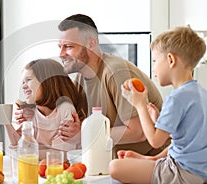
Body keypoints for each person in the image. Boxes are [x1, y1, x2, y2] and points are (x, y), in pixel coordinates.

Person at [55, 14, 169, 157]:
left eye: (69, 47)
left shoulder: (116, 72)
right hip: (113, 161)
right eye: (60, 47)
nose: (61, 54)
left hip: (153, 161)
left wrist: (83, 135)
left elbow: (138, 132)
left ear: (90, 44)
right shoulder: (79, 79)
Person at [109, 26, 207, 183]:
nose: (153, 68)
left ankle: (153, 162)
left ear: (170, 60)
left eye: (155, 61)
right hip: (199, 171)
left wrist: (140, 105)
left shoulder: (176, 98)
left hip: (181, 172)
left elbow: (155, 141)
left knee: (115, 167)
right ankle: (152, 160)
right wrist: (157, 122)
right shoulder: (200, 93)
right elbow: (183, 140)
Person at [6, 58, 87, 159]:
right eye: (23, 82)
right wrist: (6, 121)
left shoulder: (65, 109)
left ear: (47, 81)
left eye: (29, 80)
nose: (23, 86)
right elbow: (19, 144)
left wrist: (26, 153)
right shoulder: (31, 112)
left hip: (60, 170)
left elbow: (61, 154)